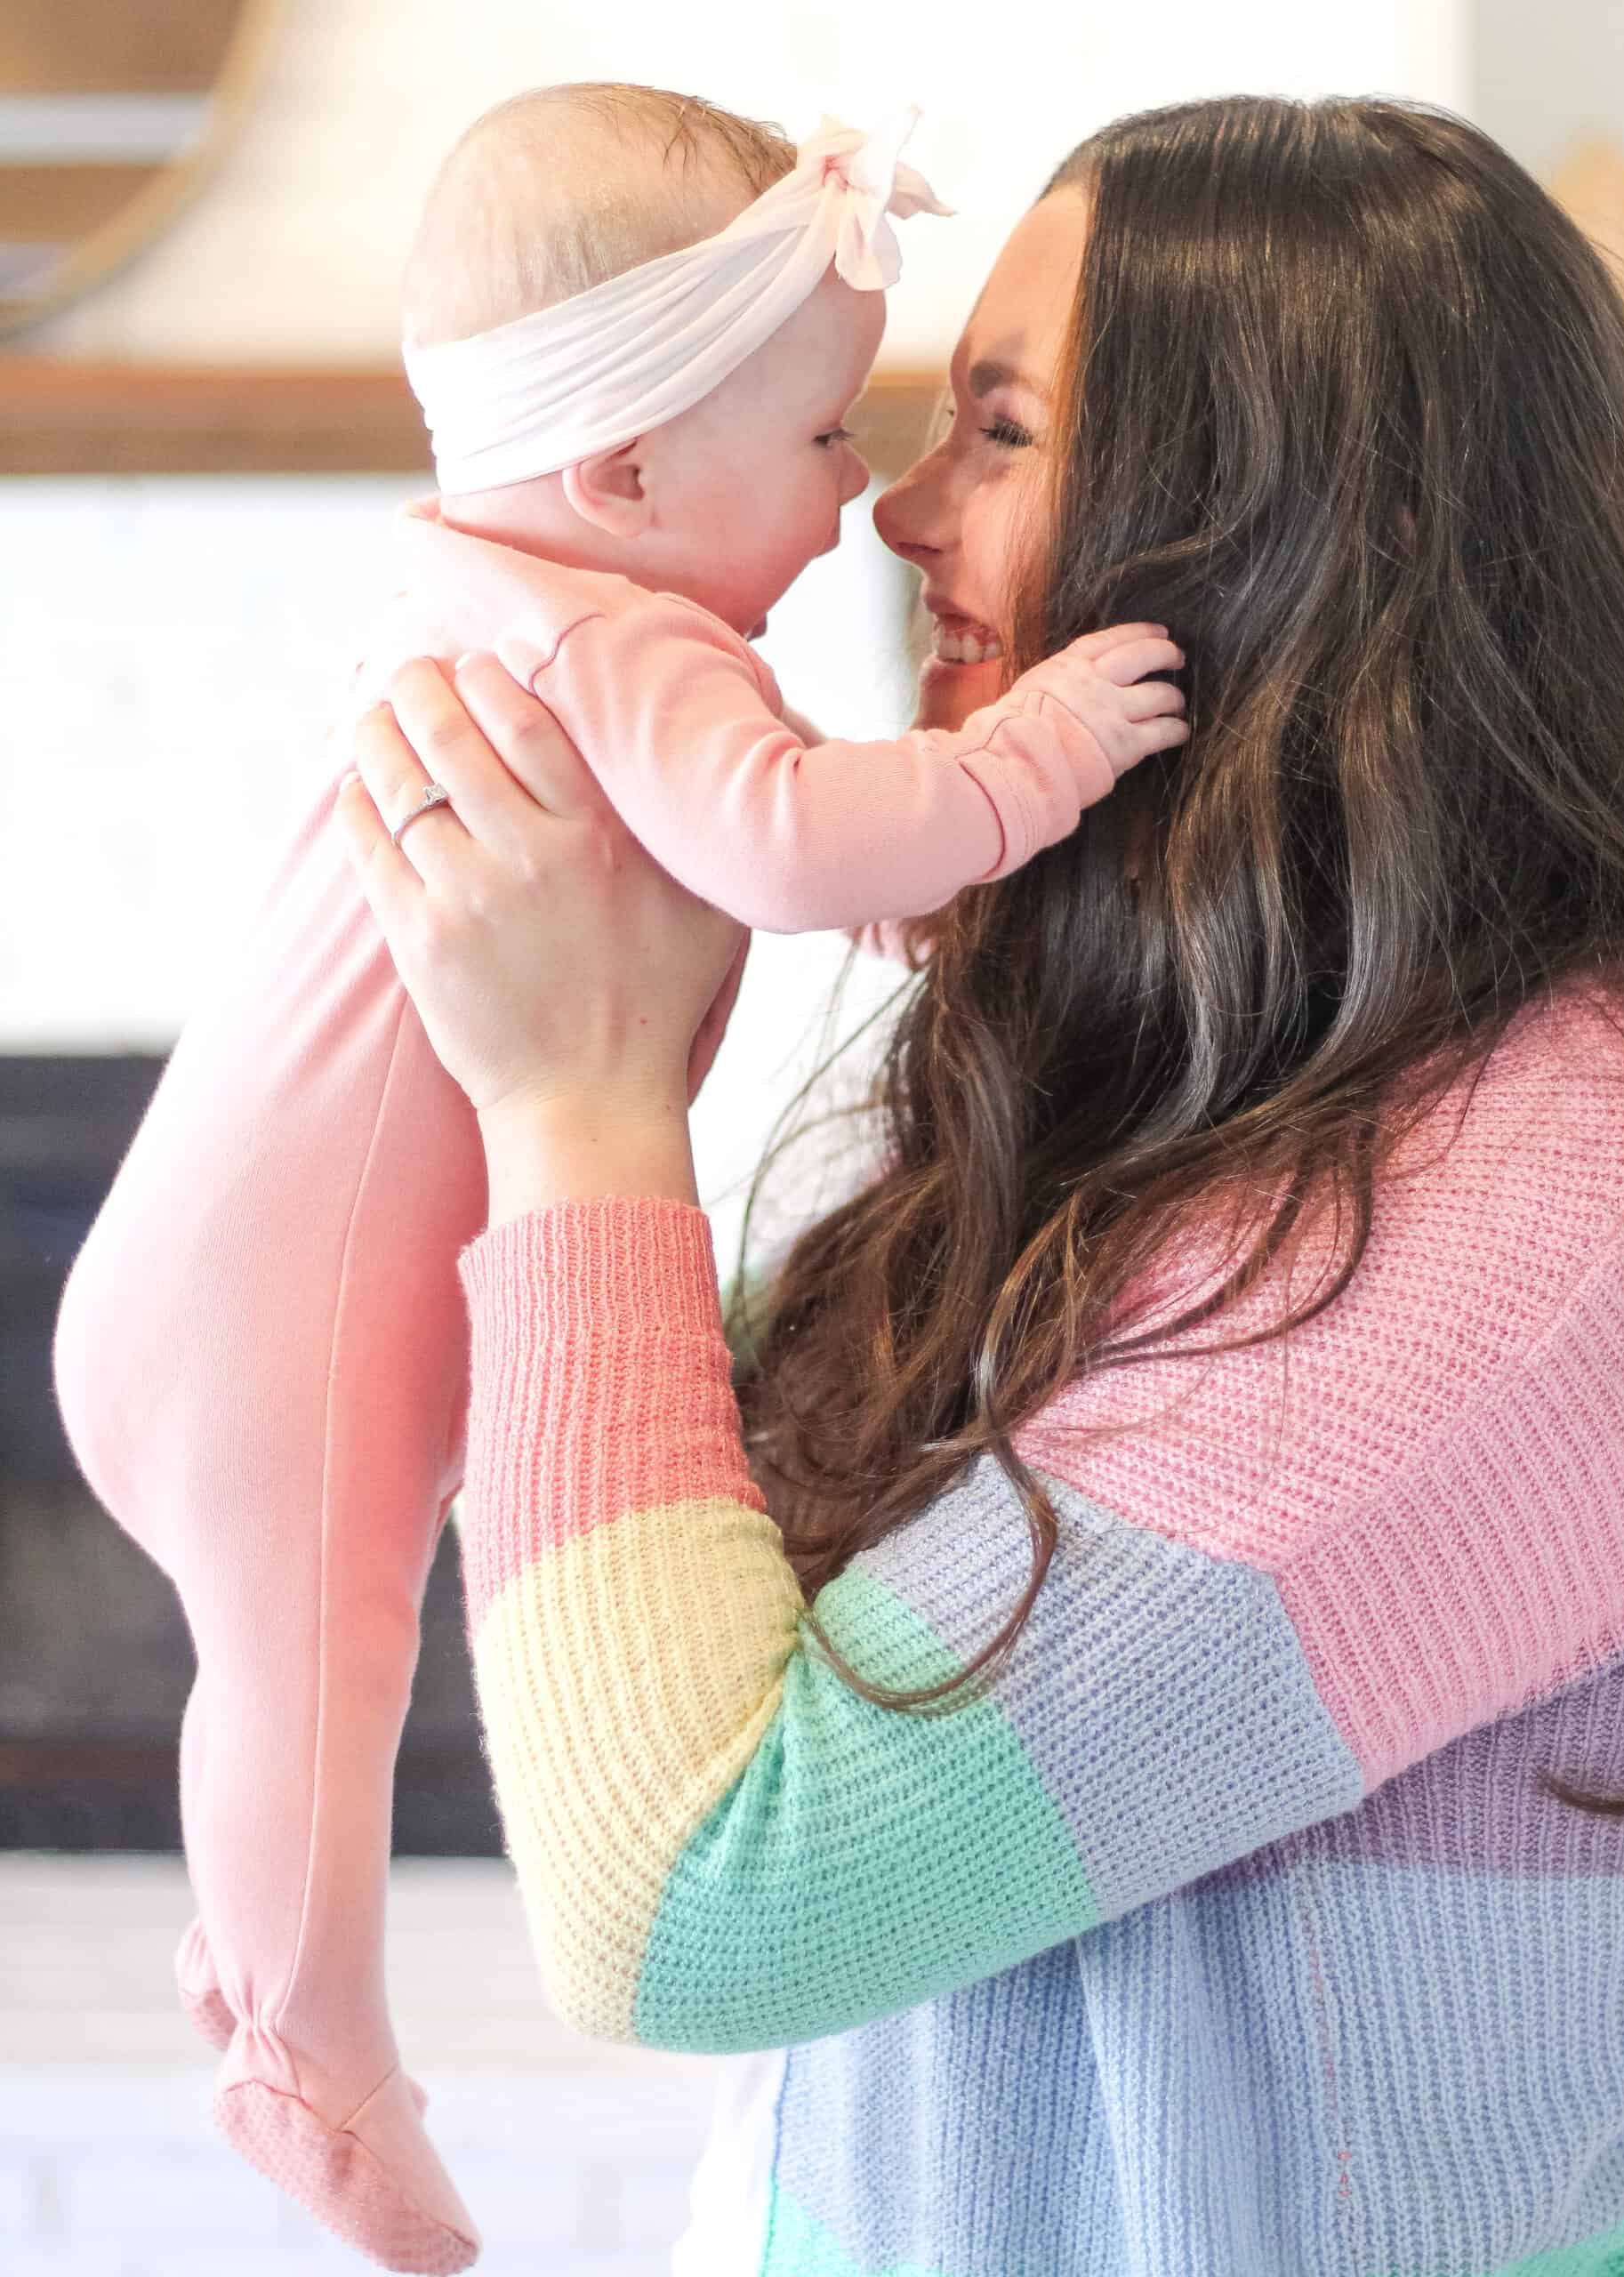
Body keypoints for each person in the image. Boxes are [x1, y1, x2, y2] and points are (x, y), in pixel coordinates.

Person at [334, 92, 1624, 2277]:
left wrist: (579, 1102)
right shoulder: (1218, 1069)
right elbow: (683, 1635)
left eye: (1004, 432)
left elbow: (691, 1900)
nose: (898, 517)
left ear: (1282, 534)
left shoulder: (1558, 1219)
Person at [45, 82, 1187, 2276]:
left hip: (204, 1280)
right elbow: (778, 838)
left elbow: (742, 858)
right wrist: (1025, 759)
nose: (862, 504)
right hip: (271, 1334)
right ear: (631, 476)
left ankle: (258, 1935)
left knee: (281, 1680)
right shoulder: (626, 643)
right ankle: (311, 2049)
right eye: (828, 439)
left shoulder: (496, 601)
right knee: (320, 1664)